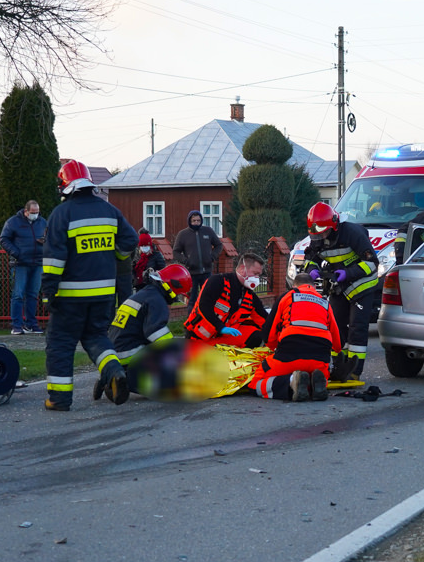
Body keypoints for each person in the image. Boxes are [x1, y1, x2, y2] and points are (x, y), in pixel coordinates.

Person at [41, 160, 138, 411]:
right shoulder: (109, 210)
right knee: (96, 337)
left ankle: (59, 399)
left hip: (70, 296)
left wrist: (48, 292)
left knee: (61, 343)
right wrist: (115, 257)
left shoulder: (62, 214)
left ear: (65, 185)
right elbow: (130, 240)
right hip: (104, 294)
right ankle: (114, 370)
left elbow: (53, 260)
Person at [304, 202, 378, 382]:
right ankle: (339, 367)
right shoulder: (318, 236)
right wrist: (311, 269)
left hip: (362, 285)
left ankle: (354, 371)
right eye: (317, 234)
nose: (321, 237)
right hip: (340, 286)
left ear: (334, 225)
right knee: (335, 327)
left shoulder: (353, 233)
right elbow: (309, 259)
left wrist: (348, 273)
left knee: (357, 329)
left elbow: (371, 263)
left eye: (323, 232)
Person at [98, 264, 191, 400]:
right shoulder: (157, 301)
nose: (176, 297)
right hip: (130, 355)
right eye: (178, 293)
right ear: (173, 287)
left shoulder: (143, 294)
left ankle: (111, 375)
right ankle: (123, 382)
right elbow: (155, 333)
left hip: (113, 355)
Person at [248, 273, 342, 402]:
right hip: (319, 358)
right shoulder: (324, 302)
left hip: (290, 353)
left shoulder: (287, 296)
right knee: (316, 371)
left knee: (255, 384)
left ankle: (292, 381)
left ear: (294, 286)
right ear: (313, 286)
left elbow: (269, 333)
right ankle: (315, 382)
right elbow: (337, 342)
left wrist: (274, 348)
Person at [184, 252, 267, 348]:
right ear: (242, 268)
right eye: (255, 273)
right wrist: (220, 327)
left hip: (222, 338)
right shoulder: (218, 281)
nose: (257, 278)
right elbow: (204, 306)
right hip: (198, 338)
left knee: (255, 335)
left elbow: (265, 319)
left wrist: (281, 335)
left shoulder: (250, 296)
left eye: (259, 275)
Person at [0, 200, 48, 335]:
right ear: (26, 211)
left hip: (38, 263)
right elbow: (4, 239)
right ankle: (16, 325)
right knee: (18, 294)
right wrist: (16, 253)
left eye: (37, 212)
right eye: (33, 213)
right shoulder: (13, 222)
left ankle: (31, 324)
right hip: (20, 263)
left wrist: (44, 243)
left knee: (33, 295)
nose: (35, 215)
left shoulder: (43, 222)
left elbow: (49, 236)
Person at [172, 210, 222, 314]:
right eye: (194, 220)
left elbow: (219, 245)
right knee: (192, 300)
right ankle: (191, 321)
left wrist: (212, 257)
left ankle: (208, 318)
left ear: (201, 221)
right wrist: (186, 261)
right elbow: (176, 252)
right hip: (191, 274)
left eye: (198, 220)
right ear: (189, 221)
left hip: (206, 271)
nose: (196, 223)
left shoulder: (208, 231)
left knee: (208, 297)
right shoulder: (183, 234)